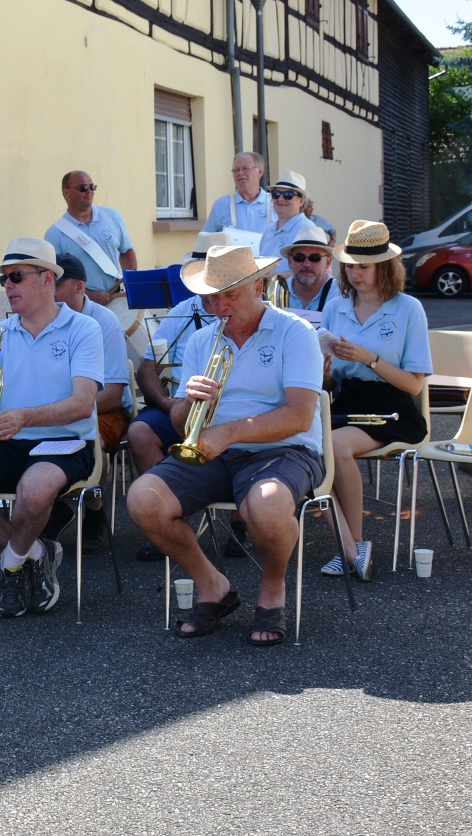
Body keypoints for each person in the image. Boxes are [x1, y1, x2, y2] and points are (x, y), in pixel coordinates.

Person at [126, 245, 324, 647]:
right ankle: (212, 585)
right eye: (211, 296)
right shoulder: (202, 341)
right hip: (214, 448)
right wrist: (186, 402)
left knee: (265, 506)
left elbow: (300, 416)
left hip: (286, 449)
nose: (218, 306)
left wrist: (231, 432)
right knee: (143, 499)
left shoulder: (296, 333)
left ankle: (271, 588)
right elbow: (182, 424)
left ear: (259, 286)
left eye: (229, 294)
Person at [0, 237, 103, 619]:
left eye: (16, 277)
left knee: (36, 487)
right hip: (9, 439)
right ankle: (37, 553)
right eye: (4, 280)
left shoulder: (83, 328)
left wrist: (25, 417)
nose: (7, 286)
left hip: (66, 441)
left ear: (46, 278)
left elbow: (82, 403)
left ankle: (11, 564)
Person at [318, 221, 431, 581]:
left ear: (383, 266)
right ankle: (350, 548)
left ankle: (356, 543)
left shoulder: (408, 308)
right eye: (350, 265)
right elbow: (330, 382)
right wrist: (323, 365)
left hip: (393, 404)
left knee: (333, 445)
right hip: (347, 400)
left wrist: (369, 358)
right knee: (303, 446)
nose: (355, 273)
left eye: (363, 266)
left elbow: (414, 385)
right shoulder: (336, 307)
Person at [125, 232, 229, 562]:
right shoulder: (183, 310)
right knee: (140, 431)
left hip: (231, 408)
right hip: (184, 404)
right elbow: (146, 370)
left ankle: (243, 525)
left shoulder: (242, 313)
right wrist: (168, 404)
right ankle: (168, 524)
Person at [50, 253, 129, 553]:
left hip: (106, 410)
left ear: (79, 287)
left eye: (55, 284)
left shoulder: (104, 321)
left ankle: (94, 510)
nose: (48, 291)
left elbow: (113, 394)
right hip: (64, 410)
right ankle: (51, 504)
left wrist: (67, 411)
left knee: (90, 437)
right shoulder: (43, 318)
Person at [43, 171, 137, 306]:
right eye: (83, 188)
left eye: (92, 187)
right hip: (81, 306)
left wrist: (131, 284)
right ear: (66, 193)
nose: (89, 192)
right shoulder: (54, 234)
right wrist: (88, 295)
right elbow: (55, 279)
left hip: (117, 299)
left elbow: (126, 251)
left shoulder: (113, 216)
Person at [204, 151, 275, 240]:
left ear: (260, 171)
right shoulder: (221, 204)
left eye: (245, 168)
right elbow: (205, 240)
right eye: (236, 170)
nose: (240, 173)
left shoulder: (275, 203)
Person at [261, 171, 318, 278]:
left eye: (288, 195)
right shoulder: (268, 231)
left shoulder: (307, 229)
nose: (281, 199)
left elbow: (322, 272)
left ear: (301, 201)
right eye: (276, 194)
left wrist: (278, 277)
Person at [281, 226, 337, 314]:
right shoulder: (276, 292)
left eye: (315, 258)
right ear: (290, 260)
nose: (306, 264)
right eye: (299, 257)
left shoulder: (342, 295)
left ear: (328, 262)